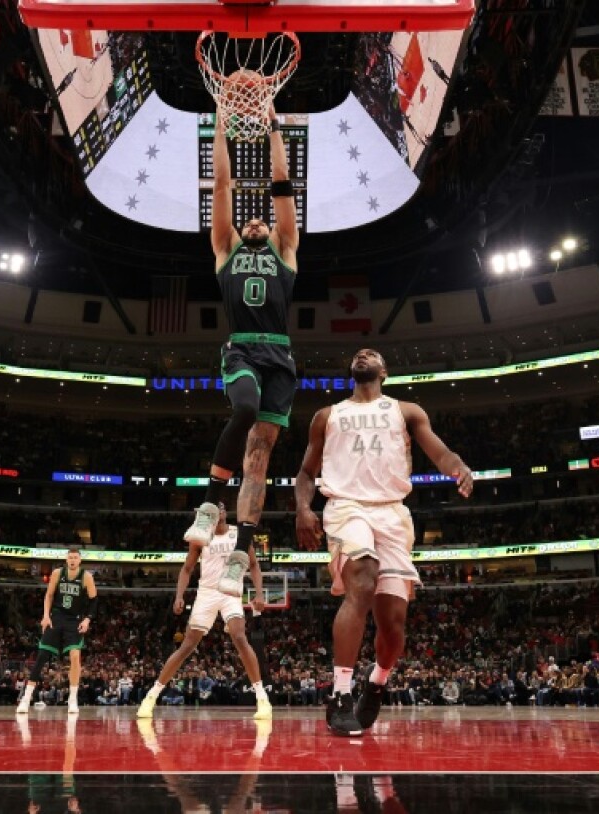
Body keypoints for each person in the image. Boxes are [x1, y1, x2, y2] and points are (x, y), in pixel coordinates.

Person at [295, 348, 473, 736]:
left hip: (392, 513)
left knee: (393, 625)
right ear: (351, 370)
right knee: (362, 577)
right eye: (358, 353)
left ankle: (375, 684)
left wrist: (458, 467)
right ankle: (340, 694)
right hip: (346, 506)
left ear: (384, 371)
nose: (363, 354)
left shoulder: (407, 411)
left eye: (371, 353)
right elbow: (307, 472)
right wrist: (303, 509)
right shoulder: (328, 415)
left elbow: (439, 452)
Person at [183, 102, 299, 601]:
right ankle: (210, 505)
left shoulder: (285, 247)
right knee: (245, 408)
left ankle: (238, 556)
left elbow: (281, 184)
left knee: (260, 462)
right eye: (248, 220)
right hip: (244, 351)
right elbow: (224, 187)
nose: (255, 221)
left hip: (281, 356)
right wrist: (220, 127)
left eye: (261, 220)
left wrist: (273, 126)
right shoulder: (225, 248)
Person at [138, 504, 271, 720]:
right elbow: (187, 569)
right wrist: (179, 595)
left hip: (230, 590)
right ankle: (151, 697)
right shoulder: (200, 537)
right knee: (187, 646)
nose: (217, 514)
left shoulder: (239, 534)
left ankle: (262, 698)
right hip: (207, 592)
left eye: (220, 509)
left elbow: (254, 565)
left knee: (239, 636)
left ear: (224, 513)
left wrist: (259, 594)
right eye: (212, 511)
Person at [18, 549, 98, 715]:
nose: (73, 560)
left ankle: (73, 699)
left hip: (74, 620)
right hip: (56, 617)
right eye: (70, 557)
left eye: (75, 557)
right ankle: (26, 699)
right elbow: (48, 595)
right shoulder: (57, 573)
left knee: (75, 656)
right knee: (41, 657)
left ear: (80, 560)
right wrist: (46, 616)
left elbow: (94, 600)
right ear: (66, 559)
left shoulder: (86, 577)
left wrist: (87, 619)